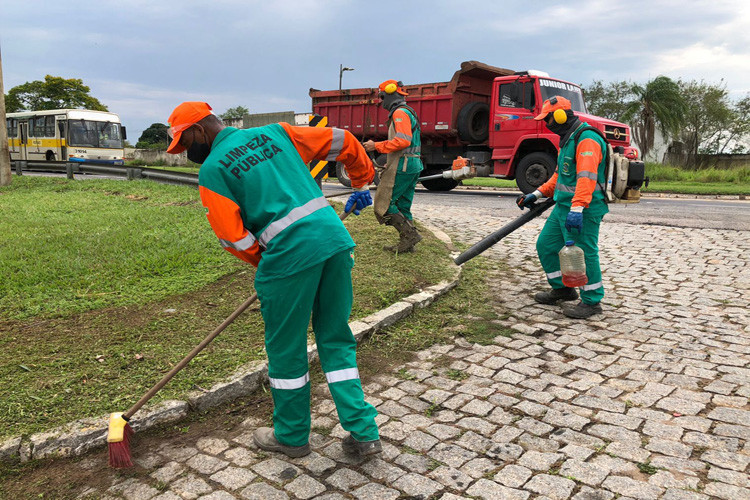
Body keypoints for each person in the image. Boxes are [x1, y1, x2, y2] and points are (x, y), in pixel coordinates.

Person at [166, 102, 380, 457]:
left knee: (287, 348)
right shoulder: (277, 133)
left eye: (186, 143)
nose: (189, 152)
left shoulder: (214, 171)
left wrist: (269, 264)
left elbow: (232, 238)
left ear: (201, 130)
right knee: (336, 338)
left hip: (288, 259)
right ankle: (364, 432)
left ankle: (292, 437)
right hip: (333, 241)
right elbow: (343, 140)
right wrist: (360, 181)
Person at [516, 96, 608, 319]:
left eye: (548, 119)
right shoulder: (569, 140)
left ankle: (592, 301)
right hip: (563, 207)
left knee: (584, 253)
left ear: (560, 116)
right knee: (546, 245)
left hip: (583, 209)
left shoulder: (587, 140)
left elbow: (587, 177)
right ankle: (564, 289)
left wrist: (577, 209)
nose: (547, 124)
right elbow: (560, 175)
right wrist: (536, 193)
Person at [363, 79, 423, 253]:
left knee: (385, 204)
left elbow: (403, 141)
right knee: (403, 205)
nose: (380, 102)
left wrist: (376, 146)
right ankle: (408, 244)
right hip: (413, 163)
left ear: (389, 94)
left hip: (402, 164)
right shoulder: (408, 111)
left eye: (381, 97)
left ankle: (410, 236)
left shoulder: (399, 113)